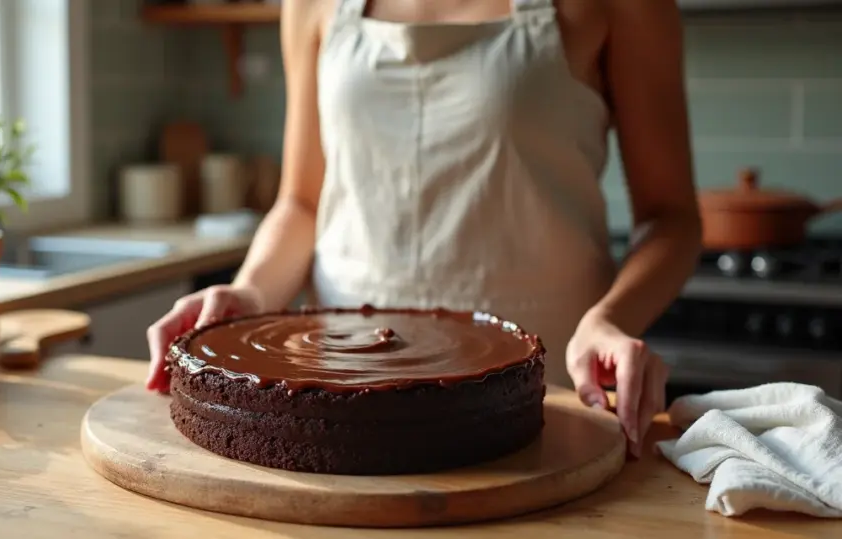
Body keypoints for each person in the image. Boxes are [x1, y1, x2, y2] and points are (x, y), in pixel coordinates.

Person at [146, 0, 701, 458]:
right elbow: (301, 201)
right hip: (338, 395)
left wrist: (610, 319)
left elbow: (670, 219)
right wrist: (250, 290)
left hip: (547, 391)